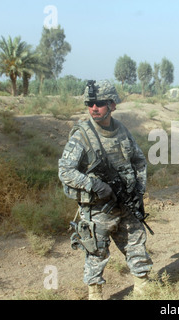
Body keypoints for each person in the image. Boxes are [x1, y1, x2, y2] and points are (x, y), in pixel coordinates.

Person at [58, 80, 152, 300]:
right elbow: (65, 170)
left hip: (126, 203)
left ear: (112, 104)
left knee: (136, 244)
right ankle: (95, 293)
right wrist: (95, 185)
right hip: (98, 208)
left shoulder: (121, 130)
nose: (94, 107)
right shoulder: (82, 135)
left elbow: (139, 160)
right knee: (96, 252)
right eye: (90, 103)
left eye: (99, 103)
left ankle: (143, 289)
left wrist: (139, 192)